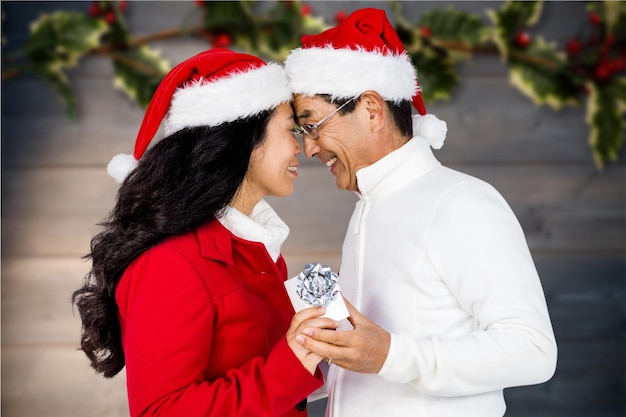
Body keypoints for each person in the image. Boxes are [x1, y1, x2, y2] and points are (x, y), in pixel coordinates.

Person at [285, 8, 558, 417]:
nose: (309, 149)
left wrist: (392, 355)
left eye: (313, 125)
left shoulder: (461, 202)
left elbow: (533, 349)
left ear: (372, 110)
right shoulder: (369, 209)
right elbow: (374, 363)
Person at [71, 48, 340, 417]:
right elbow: (161, 411)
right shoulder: (170, 264)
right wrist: (289, 366)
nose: (301, 148)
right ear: (241, 142)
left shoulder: (256, 252)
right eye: (289, 130)